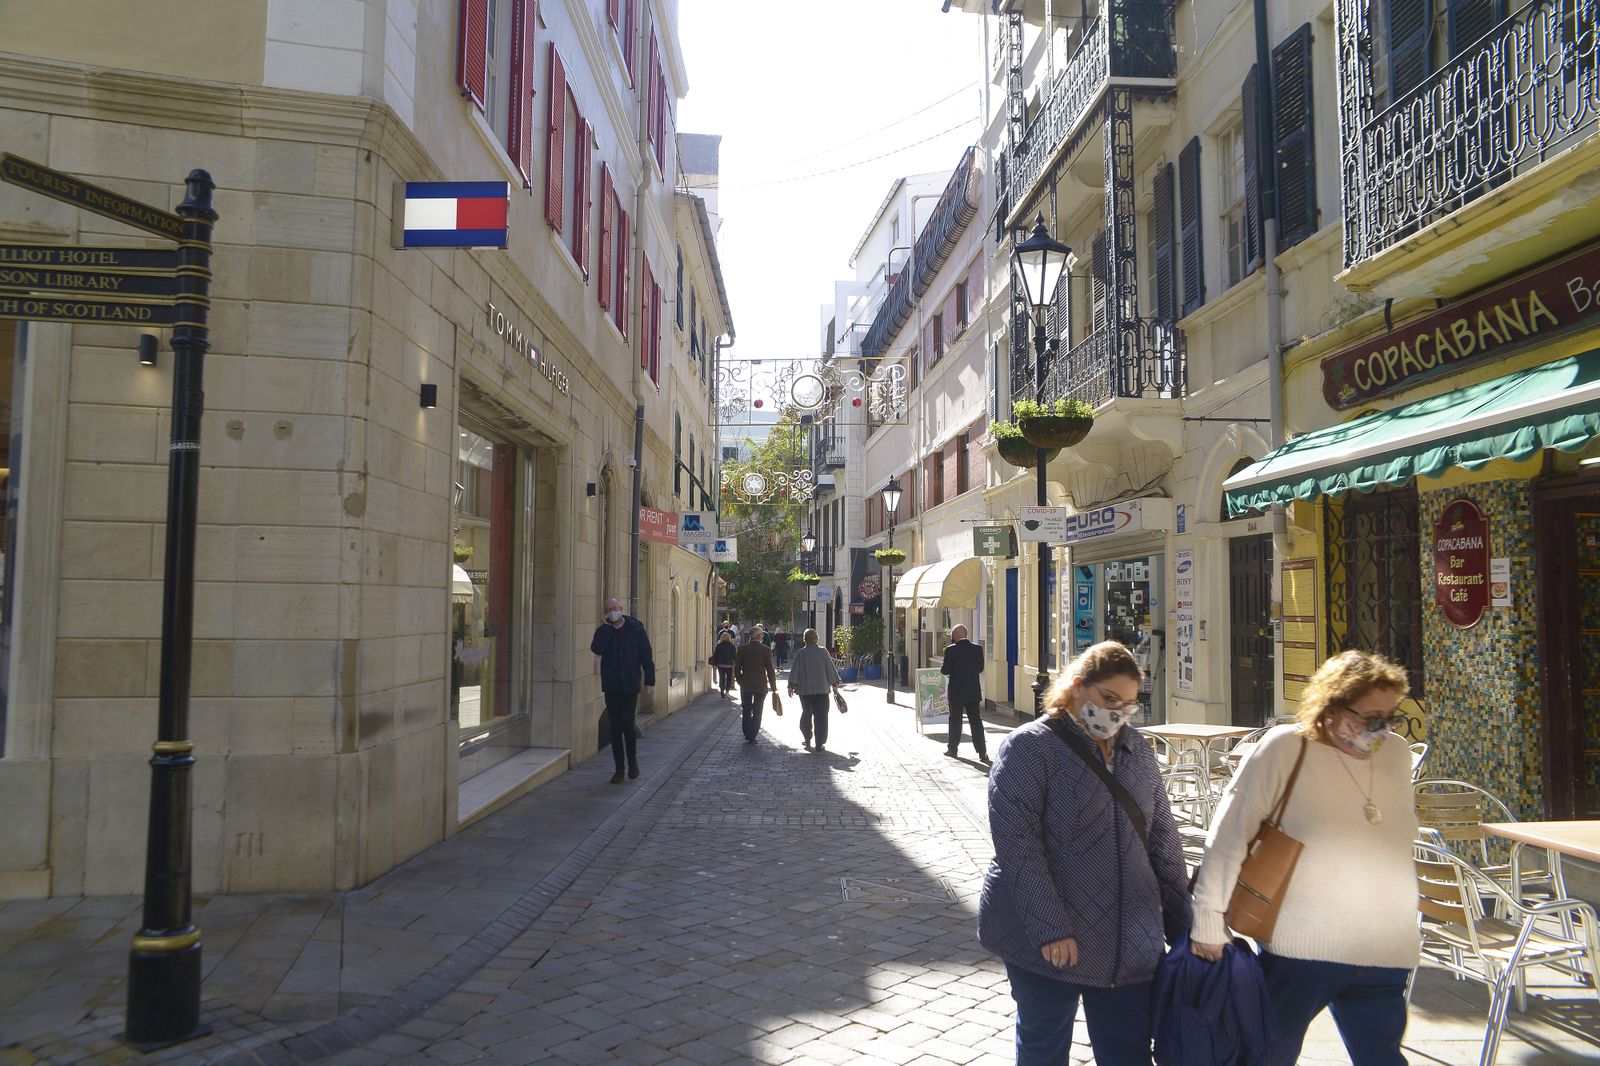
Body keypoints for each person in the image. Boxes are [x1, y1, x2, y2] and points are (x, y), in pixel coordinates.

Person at [1189, 650, 1419, 1065]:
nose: (1380, 728)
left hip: (1386, 950)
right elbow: (1229, 835)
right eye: (1370, 717)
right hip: (1303, 948)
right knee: (1265, 1056)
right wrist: (1208, 921)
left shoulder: (1396, 754)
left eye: (1390, 717)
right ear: (1330, 707)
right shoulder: (1286, 748)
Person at [978, 641, 1191, 1066]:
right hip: (1045, 943)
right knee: (1043, 1047)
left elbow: (1163, 843)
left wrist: (1186, 929)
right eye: (1110, 699)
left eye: (1129, 706)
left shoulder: (1138, 752)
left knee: (1128, 1052)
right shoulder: (1028, 747)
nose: (1117, 714)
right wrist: (1050, 928)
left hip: (1129, 942)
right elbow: (1018, 847)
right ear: (1078, 688)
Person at [589, 596, 655, 785]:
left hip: (630, 684)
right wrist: (606, 628)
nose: (613, 612)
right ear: (605, 613)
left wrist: (650, 680)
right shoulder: (603, 631)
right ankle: (619, 769)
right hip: (611, 685)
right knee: (615, 727)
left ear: (622, 608)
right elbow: (597, 648)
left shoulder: (635, 628)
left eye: (616, 608)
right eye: (609, 610)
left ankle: (632, 761)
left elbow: (646, 655)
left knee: (627, 724)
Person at [787, 628, 842, 753]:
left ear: (804, 639)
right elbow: (830, 668)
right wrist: (834, 684)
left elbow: (795, 670)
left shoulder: (801, 653)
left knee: (806, 713)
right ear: (817, 638)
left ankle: (807, 737)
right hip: (821, 690)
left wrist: (791, 686)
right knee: (821, 716)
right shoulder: (823, 652)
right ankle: (819, 743)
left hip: (805, 691)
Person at [940, 624, 988, 762]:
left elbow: (945, 670)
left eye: (952, 634)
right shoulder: (977, 649)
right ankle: (982, 752)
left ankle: (953, 749)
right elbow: (980, 668)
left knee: (955, 720)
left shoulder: (951, 650)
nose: (951, 637)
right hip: (973, 691)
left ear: (956, 634)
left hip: (956, 692)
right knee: (976, 721)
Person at [733, 624, 778, 744]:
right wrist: (773, 687)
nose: (762, 636)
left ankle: (747, 732)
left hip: (746, 684)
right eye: (762, 634)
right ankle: (752, 734)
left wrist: (740, 680)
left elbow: (737, 668)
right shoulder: (766, 650)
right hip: (760, 684)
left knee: (746, 709)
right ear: (758, 636)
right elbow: (770, 669)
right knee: (758, 710)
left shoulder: (742, 649)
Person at [710, 629, 737, 699]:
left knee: (721, 678)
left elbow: (715, 655)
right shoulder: (732, 646)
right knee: (729, 678)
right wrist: (736, 663)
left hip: (720, 664)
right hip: (729, 664)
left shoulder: (719, 646)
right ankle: (727, 691)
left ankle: (722, 692)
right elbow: (734, 656)